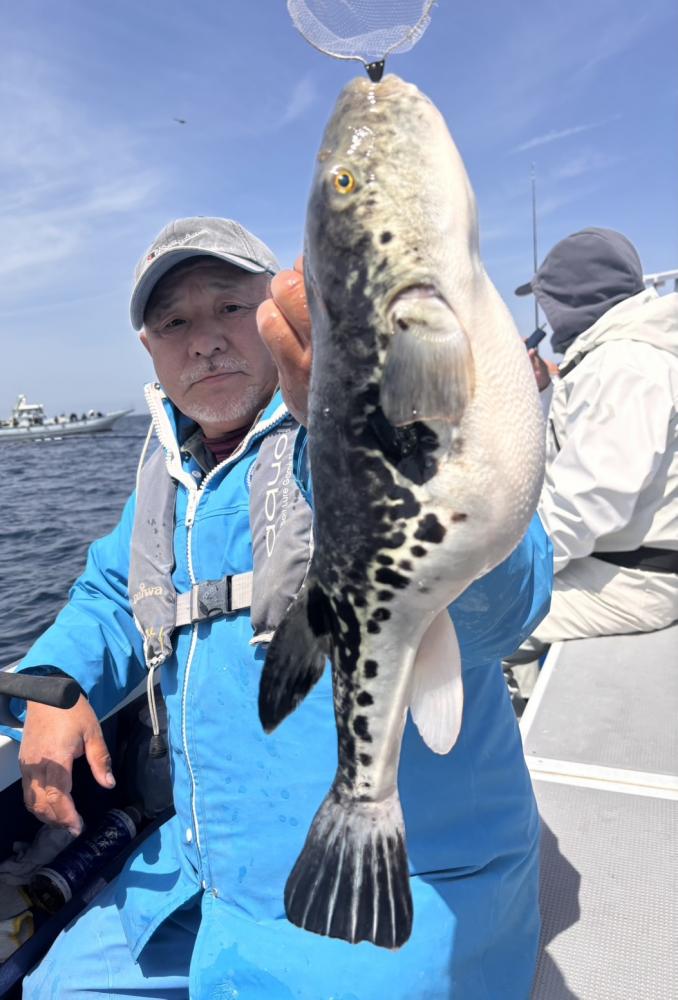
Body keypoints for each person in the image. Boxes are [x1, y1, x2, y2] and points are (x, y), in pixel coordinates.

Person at [11, 217, 552, 999]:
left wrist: (388, 438)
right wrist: (57, 683)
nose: (205, 341)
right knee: (53, 989)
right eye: (174, 323)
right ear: (150, 350)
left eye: (230, 307)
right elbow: (109, 594)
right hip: (201, 876)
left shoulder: (359, 425)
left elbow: (509, 602)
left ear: (283, 312)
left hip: (401, 885)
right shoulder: (170, 475)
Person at [505, 227, 678, 704]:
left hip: (636, 581)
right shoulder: (618, 354)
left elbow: (588, 503)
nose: (546, 319)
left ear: (576, 295)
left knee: (470, 623)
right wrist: (541, 390)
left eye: (549, 302)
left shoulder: (625, 364)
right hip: (609, 561)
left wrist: (502, 567)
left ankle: (508, 729)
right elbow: (572, 453)